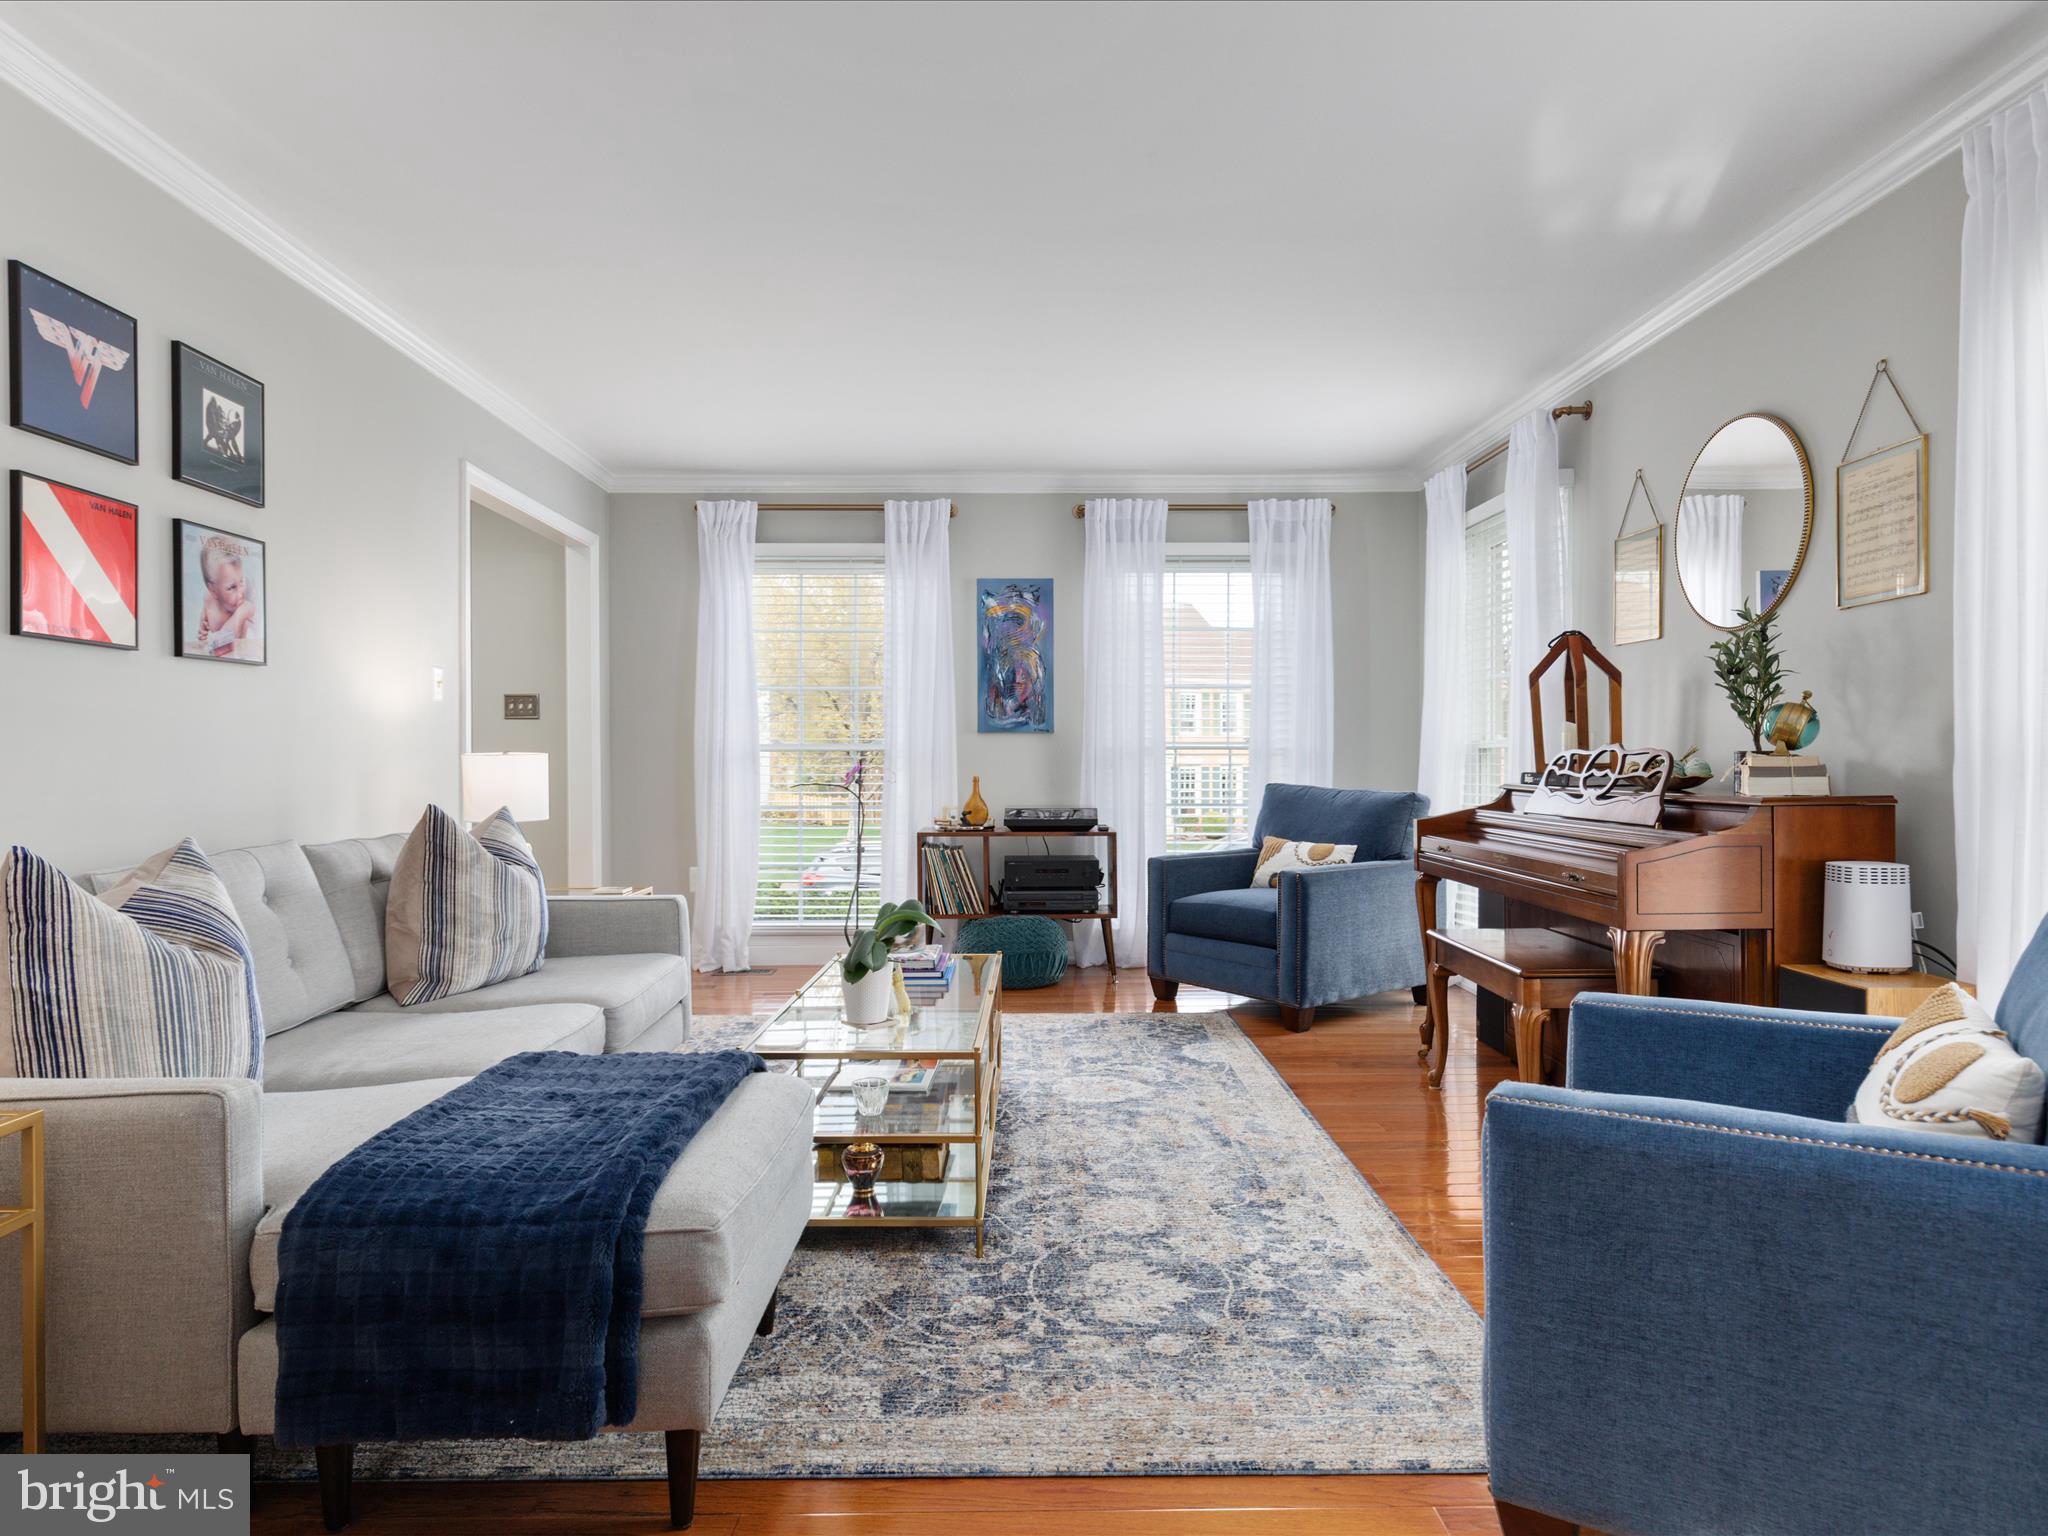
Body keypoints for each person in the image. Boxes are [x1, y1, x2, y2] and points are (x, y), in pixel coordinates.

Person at [193, 535, 262, 660]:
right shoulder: (209, 599)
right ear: (213, 590)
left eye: (241, 581)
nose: (240, 592)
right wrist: (203, 624)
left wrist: (239, 615)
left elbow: (222, 643)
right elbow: (205, 611)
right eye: (231, 587)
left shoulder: (245, 608)